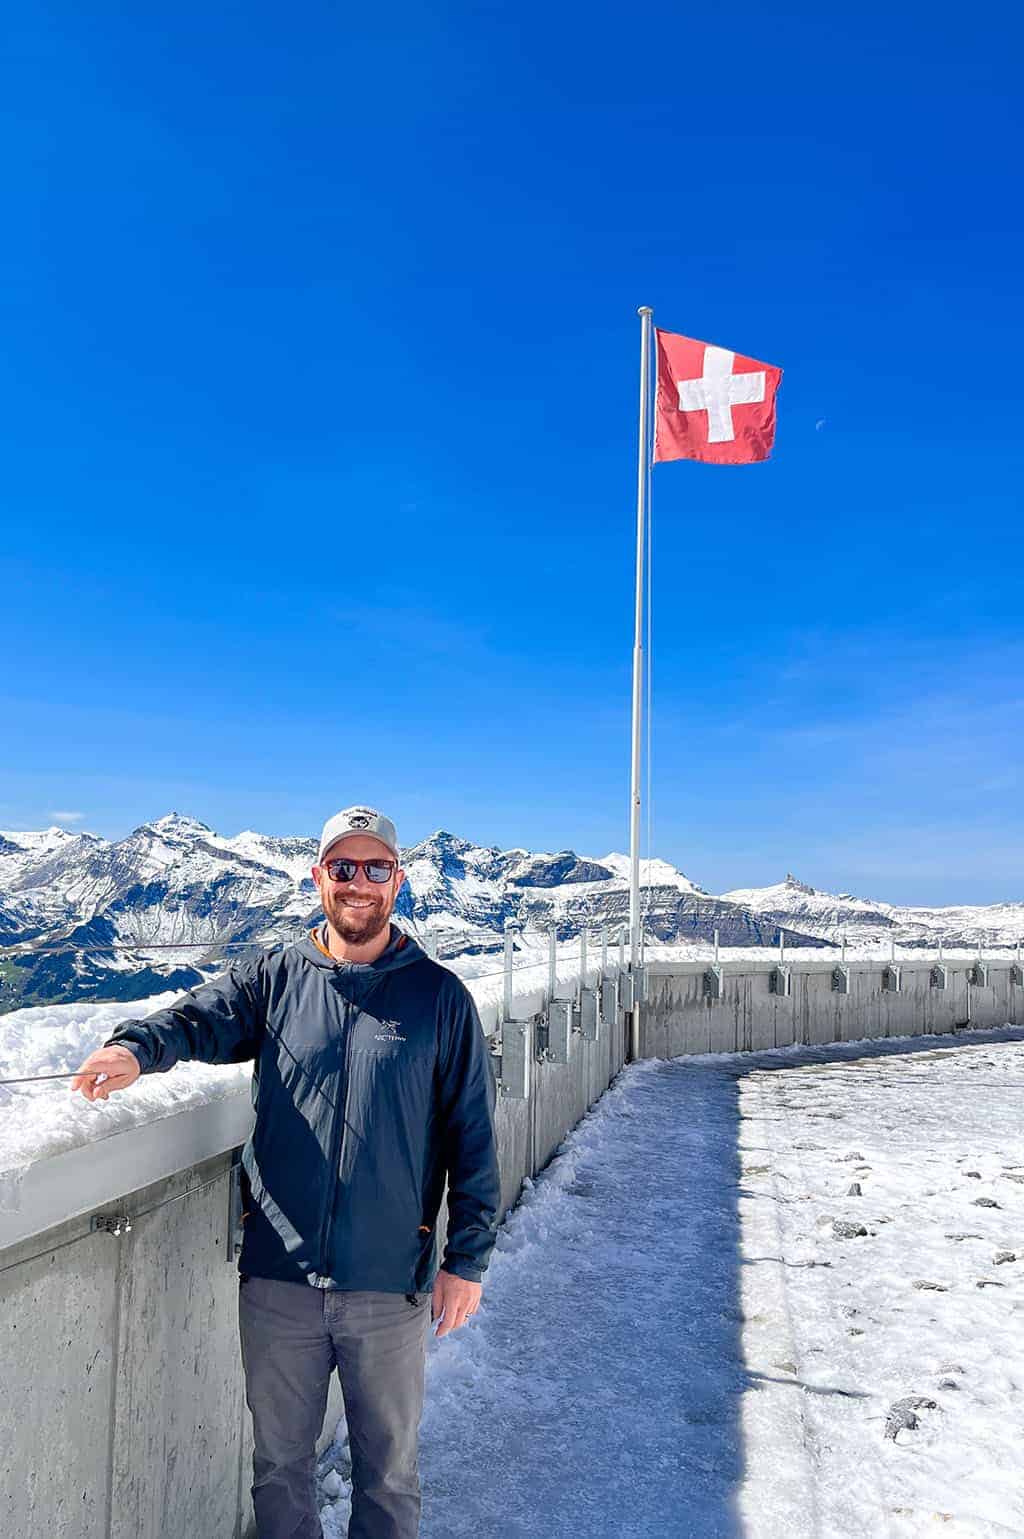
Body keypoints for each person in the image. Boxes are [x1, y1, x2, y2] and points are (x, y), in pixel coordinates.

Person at [71, 805, 501, 1539]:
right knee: (277, 1471)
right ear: (318, 878)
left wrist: (466, 1259)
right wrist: (135, 1048)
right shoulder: (276, 976)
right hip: (280, 1284)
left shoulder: (440, 999)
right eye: (342, 868)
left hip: (386, 1285)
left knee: (390, 1475)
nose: (357, 883)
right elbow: (199, 1018)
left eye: (374, 868)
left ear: (398, 881)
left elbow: (474, 1143)